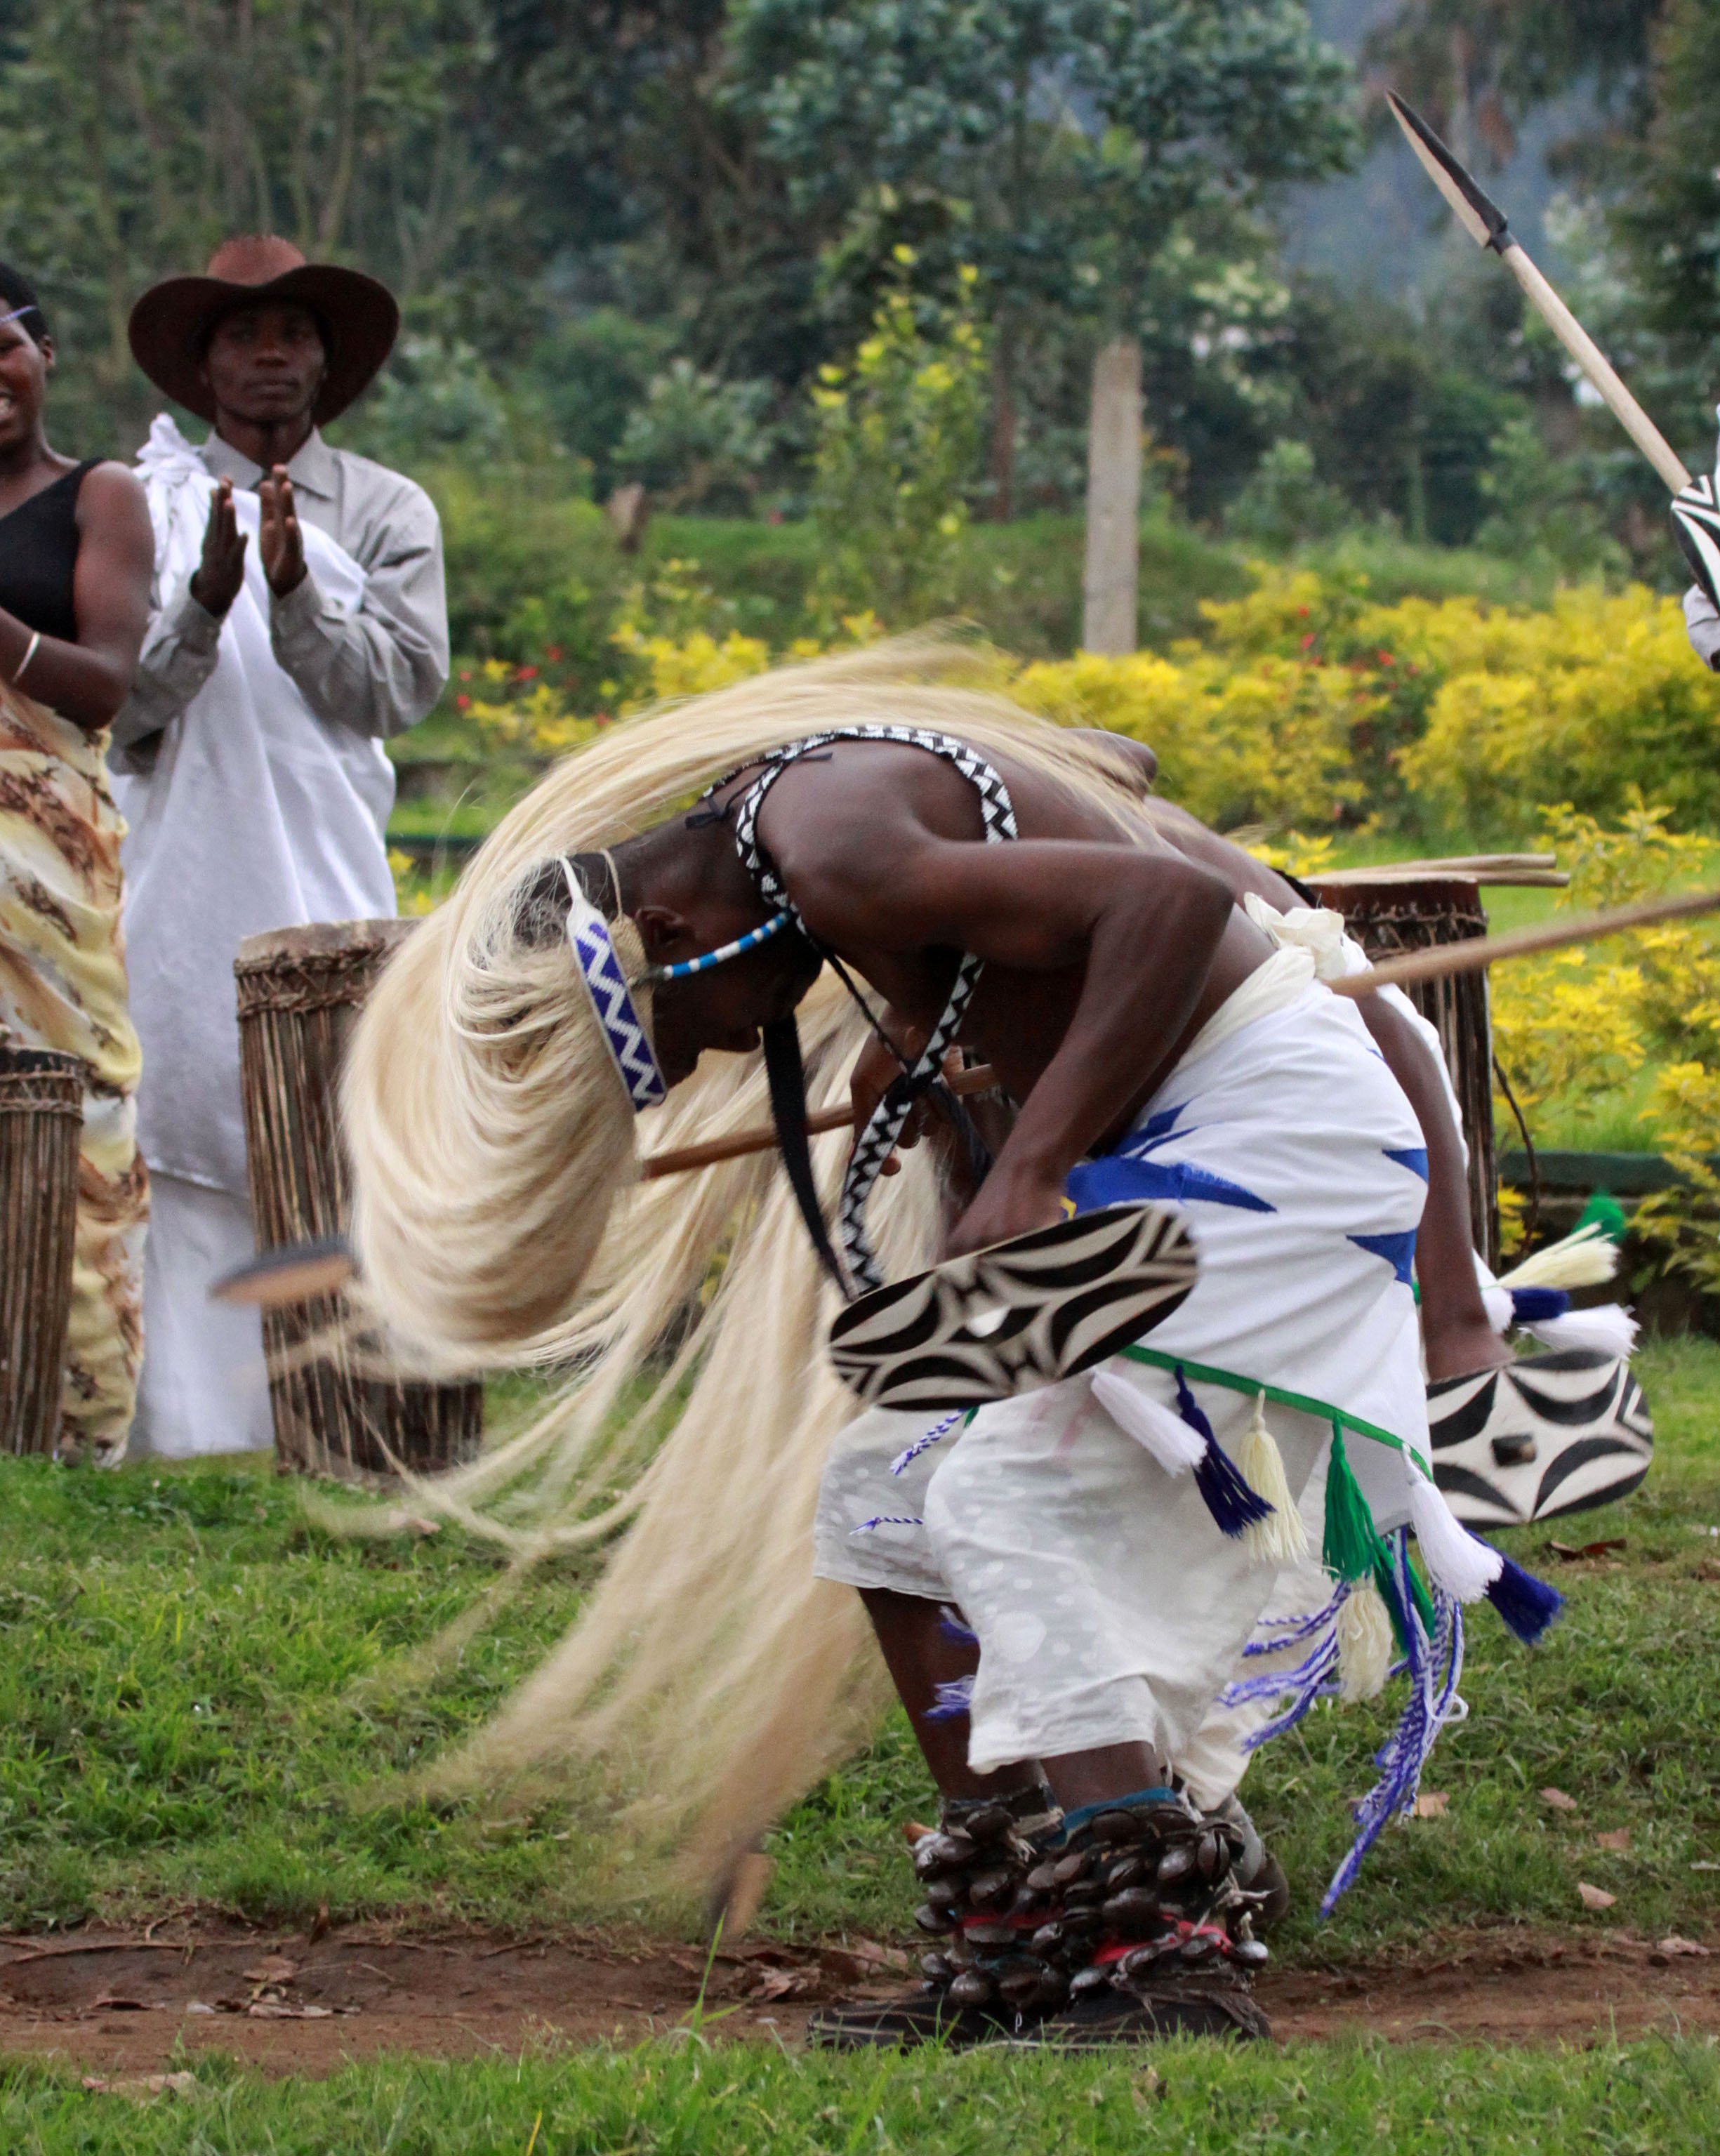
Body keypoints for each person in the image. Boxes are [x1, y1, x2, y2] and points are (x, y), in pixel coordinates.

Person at [338, 649, 1548, 2049]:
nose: (728, 1050)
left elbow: (1173, 900)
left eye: (693, 1034)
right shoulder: (800, 841)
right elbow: (1085, 843)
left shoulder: (828, 843)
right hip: (1198, 1140)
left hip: (1278, 1144)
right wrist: (949, 1072)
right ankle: (1024, 1937)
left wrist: (1029, 1168)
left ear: (669, 927)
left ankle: (1163, 1954)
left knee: (1002, 1493)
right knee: (884, 1491)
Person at [109, 235, 449, 1458]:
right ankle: (190, 1426)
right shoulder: (135, 501)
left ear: (326, 361)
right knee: (186, 1099)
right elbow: (127, 708)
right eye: (241, 334)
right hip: (184, 864)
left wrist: (297, 593)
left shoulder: (385, 507)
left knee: (333, 1107)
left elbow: (397, 695)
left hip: (328, 857)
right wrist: (203, 598)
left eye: (291, 332)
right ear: (200, 364)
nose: (268, 353)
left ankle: (339, 1410)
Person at [0, 261, 156, 1463]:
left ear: (44, 352)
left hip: (44, 869)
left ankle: (79, 1427)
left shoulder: (98, 495)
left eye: (0, 347)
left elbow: (108, 682)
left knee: (68, 1110)